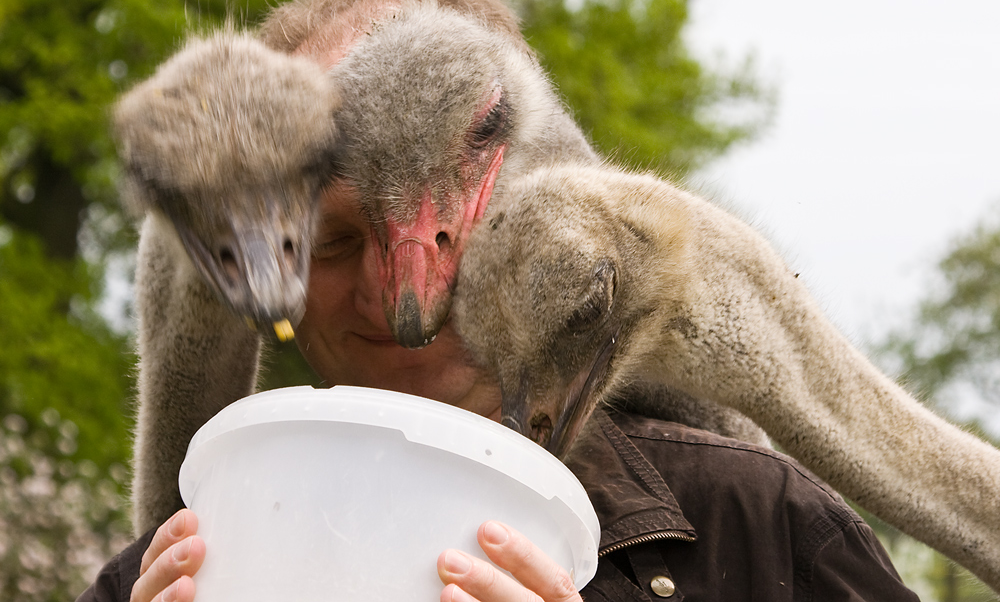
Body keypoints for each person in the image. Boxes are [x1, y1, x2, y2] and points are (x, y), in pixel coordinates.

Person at [77, 179, 919, 602]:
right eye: (334, 243)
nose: (397, 296)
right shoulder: (159, 577)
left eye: (444, 232)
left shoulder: (760, 528)